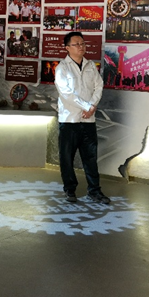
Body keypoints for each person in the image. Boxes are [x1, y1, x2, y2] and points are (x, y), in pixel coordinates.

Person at [54, 31, 110, 204]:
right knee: (67, 158)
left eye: (83, 43)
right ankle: (70, 189)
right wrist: (87, 107)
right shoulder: (62, 68)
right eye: (76, 44)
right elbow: (66, 93)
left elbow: (98, 86)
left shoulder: (90, 65)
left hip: (88, 120)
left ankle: (94, 191)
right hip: (69, 120)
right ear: (67, 47)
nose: (81, 47)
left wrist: (92, 106)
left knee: (90, 157)